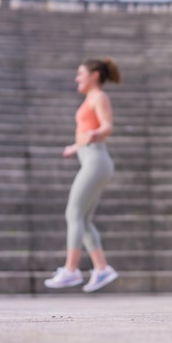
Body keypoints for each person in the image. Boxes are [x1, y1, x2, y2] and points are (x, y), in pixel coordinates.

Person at [44, 57, 120, 293]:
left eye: (80, 74)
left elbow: (107, 127)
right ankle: (102, 268)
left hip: (96, 159)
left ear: (94, 75)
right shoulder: (91, 99)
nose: (77, 78)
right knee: (84, 220)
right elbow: (86, 133)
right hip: (92, 157)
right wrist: (75, 147)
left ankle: (71, 270)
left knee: (73, 213)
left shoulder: (99, 97)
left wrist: (93, 135)